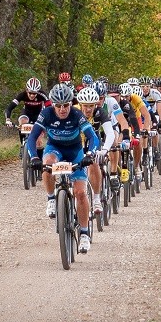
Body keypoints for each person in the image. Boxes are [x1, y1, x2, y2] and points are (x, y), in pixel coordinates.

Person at [27, 84, 100, 253]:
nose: (62, 109)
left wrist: (90, 154)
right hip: (55, 150)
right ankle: (51, 198)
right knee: (48, 164)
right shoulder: (46, 114)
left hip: (75, 153)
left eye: (66, 105)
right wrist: (34, 157)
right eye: (58, 106)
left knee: (80, 193)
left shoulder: (77, 114)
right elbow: (32, 137)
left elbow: (93, 137)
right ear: (53, 104)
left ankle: (83, 233)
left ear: (70, 103)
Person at [75, 87, 113, 215]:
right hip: (76, 144)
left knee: (94, 163)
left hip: (93, 143)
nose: (89, 109)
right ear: (80, 105)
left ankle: (96, 198)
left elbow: (110, 133)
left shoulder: (100, 112)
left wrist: (105, 150)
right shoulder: (73, 112)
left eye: (91, 106)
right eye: (85, 106)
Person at [4, 77, 50, 158]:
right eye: (30, 93)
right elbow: (9, 108)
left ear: (38, 92)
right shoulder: (22, 95)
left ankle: (39, 160)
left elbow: (50, 108)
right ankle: (23, 144)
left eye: (34, 93)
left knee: (39, 142)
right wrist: (8, 119)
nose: (32, 95)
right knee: (23, 122)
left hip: (38, 115)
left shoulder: (42, 95)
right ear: (26, 90)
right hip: (26, 113)